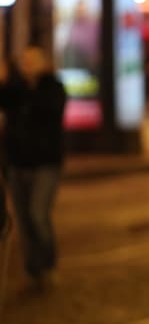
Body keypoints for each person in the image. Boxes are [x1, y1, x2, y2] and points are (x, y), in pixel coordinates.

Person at [0, 47, 66, 291]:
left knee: (38, 214)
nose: (28, 65)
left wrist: (30, 86)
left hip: (45, 164)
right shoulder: (17, 89)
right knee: (24, 220)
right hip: (18, 164)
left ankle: (48, 264)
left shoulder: (53, 87)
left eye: (32, 60)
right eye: (24, 60)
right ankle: (33, 269)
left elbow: (47, 111)